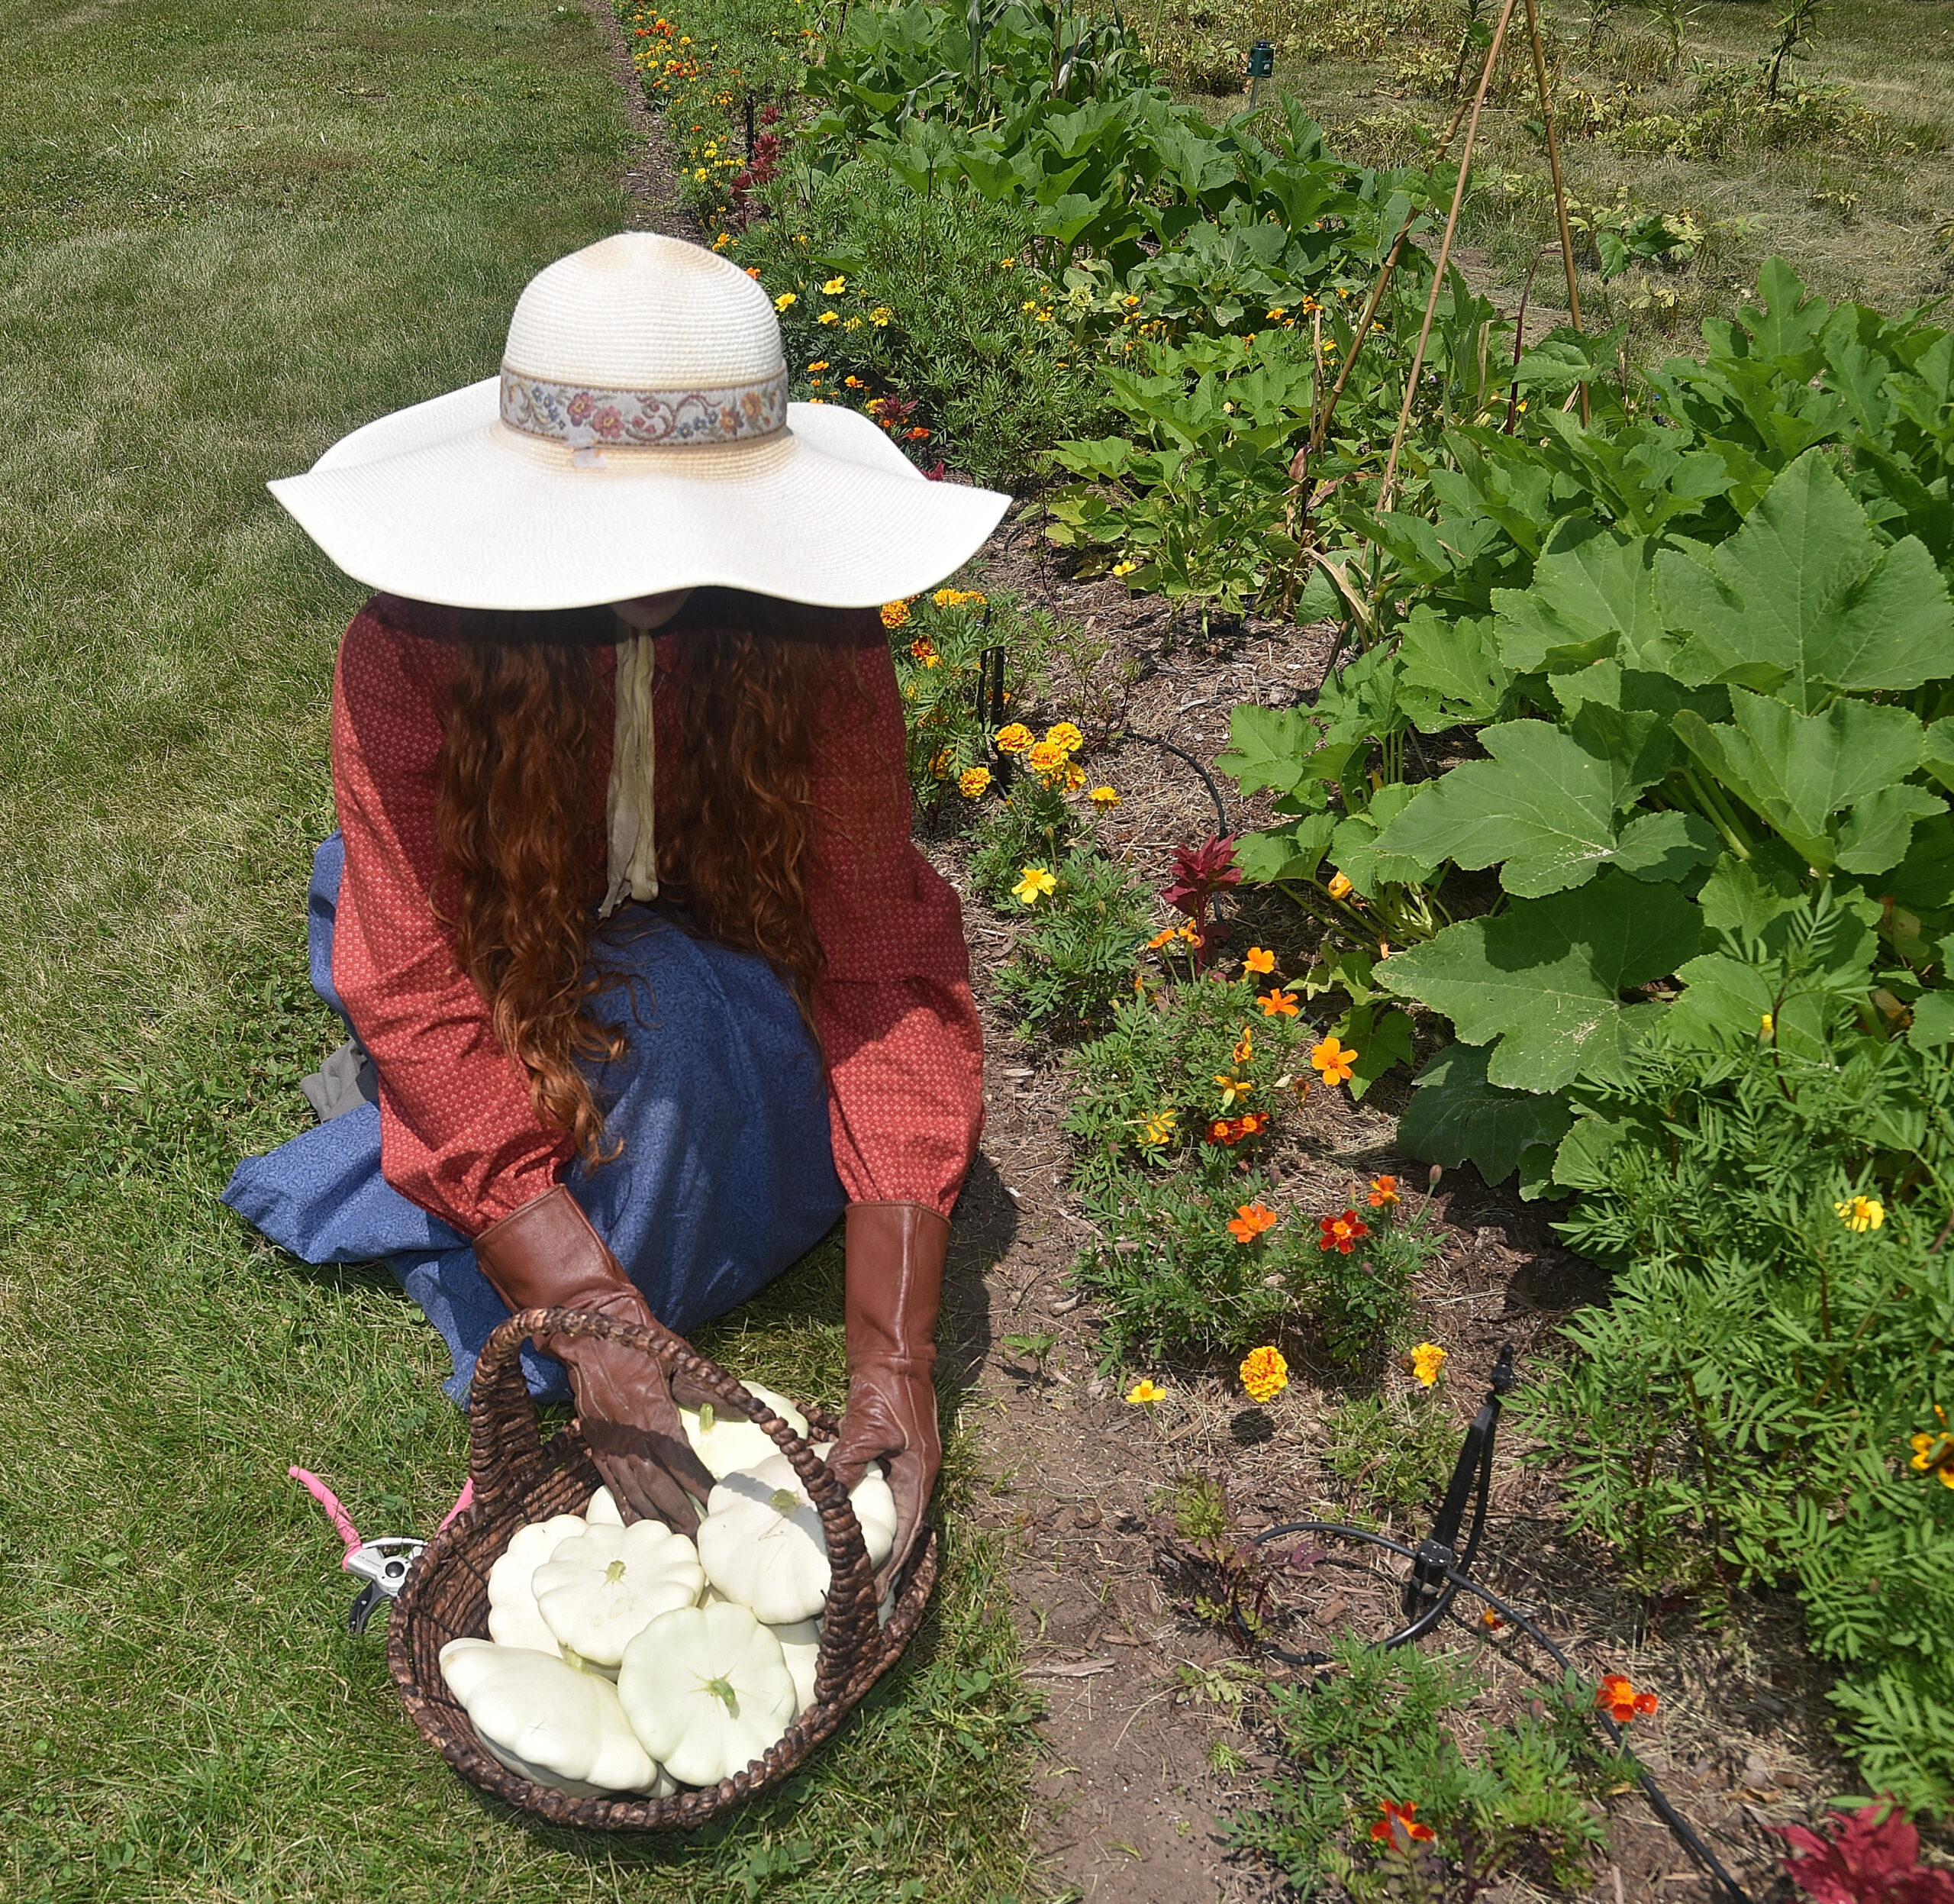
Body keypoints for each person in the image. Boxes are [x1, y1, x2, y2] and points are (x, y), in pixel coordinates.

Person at [224, 233, 1010, 1583]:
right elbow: (416, 979)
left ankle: (488, 1143)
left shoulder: (820, 644)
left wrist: (896, 1357)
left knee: (711, 1065)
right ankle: (431, 1136)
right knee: (607, 1148)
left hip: (703, 918)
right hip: (473, 919)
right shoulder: (412, 652)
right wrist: (591, 1317)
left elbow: (880, 950)